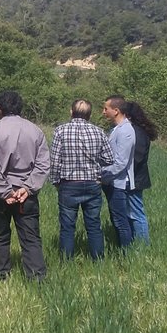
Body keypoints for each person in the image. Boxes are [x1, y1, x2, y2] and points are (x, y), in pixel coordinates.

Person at [0, 90, 51, 280]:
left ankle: (2, 276)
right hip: (26, 195)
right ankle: (36, 278)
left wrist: (5, 192)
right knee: (31, 238)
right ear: (20, 108)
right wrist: (27, 188)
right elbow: (43, 164)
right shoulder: (36, 131)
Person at [48, 99, 114, 260]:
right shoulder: (99, 131)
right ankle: (98, 260)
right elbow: (110, 158)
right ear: (89, 115)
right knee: (94, 225)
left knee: (67, 227)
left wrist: (55, 181)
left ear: (71, 112)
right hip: (92, 183)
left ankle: (66, 261)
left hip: (68, 183)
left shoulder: (60, 131)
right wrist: (95, 162)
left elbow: (54, 160)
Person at [100, 95, 137, 248]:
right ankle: (121, 249)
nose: (103, 112)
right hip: (112, 181)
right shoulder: (117, 129)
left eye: (106, 109)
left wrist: (102, 175)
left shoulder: (126, 131)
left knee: (120, 220)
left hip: (119, 183)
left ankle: (126, 253)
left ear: (116, 111)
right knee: (116, 218)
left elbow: (121, 162)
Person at [124, 101, 158, 243]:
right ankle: (135, 242)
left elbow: (136, 158)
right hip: (134, 178)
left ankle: (143, 245)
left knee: (136, 214)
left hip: (135, 179)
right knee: (131, 213)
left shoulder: (137, 133)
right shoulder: (138, 131)